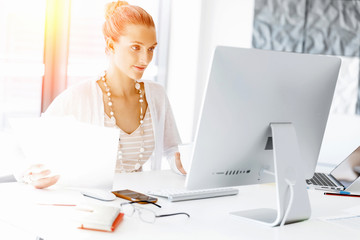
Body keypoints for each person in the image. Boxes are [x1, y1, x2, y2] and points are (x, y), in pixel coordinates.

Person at [20, 1, 186, 189]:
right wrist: (31, 176)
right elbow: (26, 150)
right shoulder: (79, 96)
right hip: (92, 204)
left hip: (140, 203)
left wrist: (182, 164)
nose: (145, 59)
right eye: (135, 47)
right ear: (111, 45)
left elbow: (172, 149)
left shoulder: (156, 95)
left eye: (151, 48)